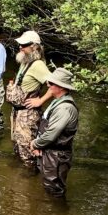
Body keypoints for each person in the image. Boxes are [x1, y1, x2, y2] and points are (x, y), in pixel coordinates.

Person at [30, 68, 79, 198]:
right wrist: (40, 146)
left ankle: (57, 214)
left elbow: (52, 133)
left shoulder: (65, 108)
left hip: (57, 156)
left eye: (51, 83)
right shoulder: (57, 102)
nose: (47, 85)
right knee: (48, 187)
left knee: (54, 191)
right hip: (50, 152)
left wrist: (36, 144)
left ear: (61, 87)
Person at [6, 30, 49, 168]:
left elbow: (55, 86)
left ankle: (29, 180)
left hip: (28, 115)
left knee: (28, 153)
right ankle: (19, 180)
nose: (20, 47)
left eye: (24, 45)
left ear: (34, 46)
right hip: (17, 113)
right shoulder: (25, 60)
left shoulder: (38, 65)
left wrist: (41, 101)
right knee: (18, 148)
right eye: (20, 44)